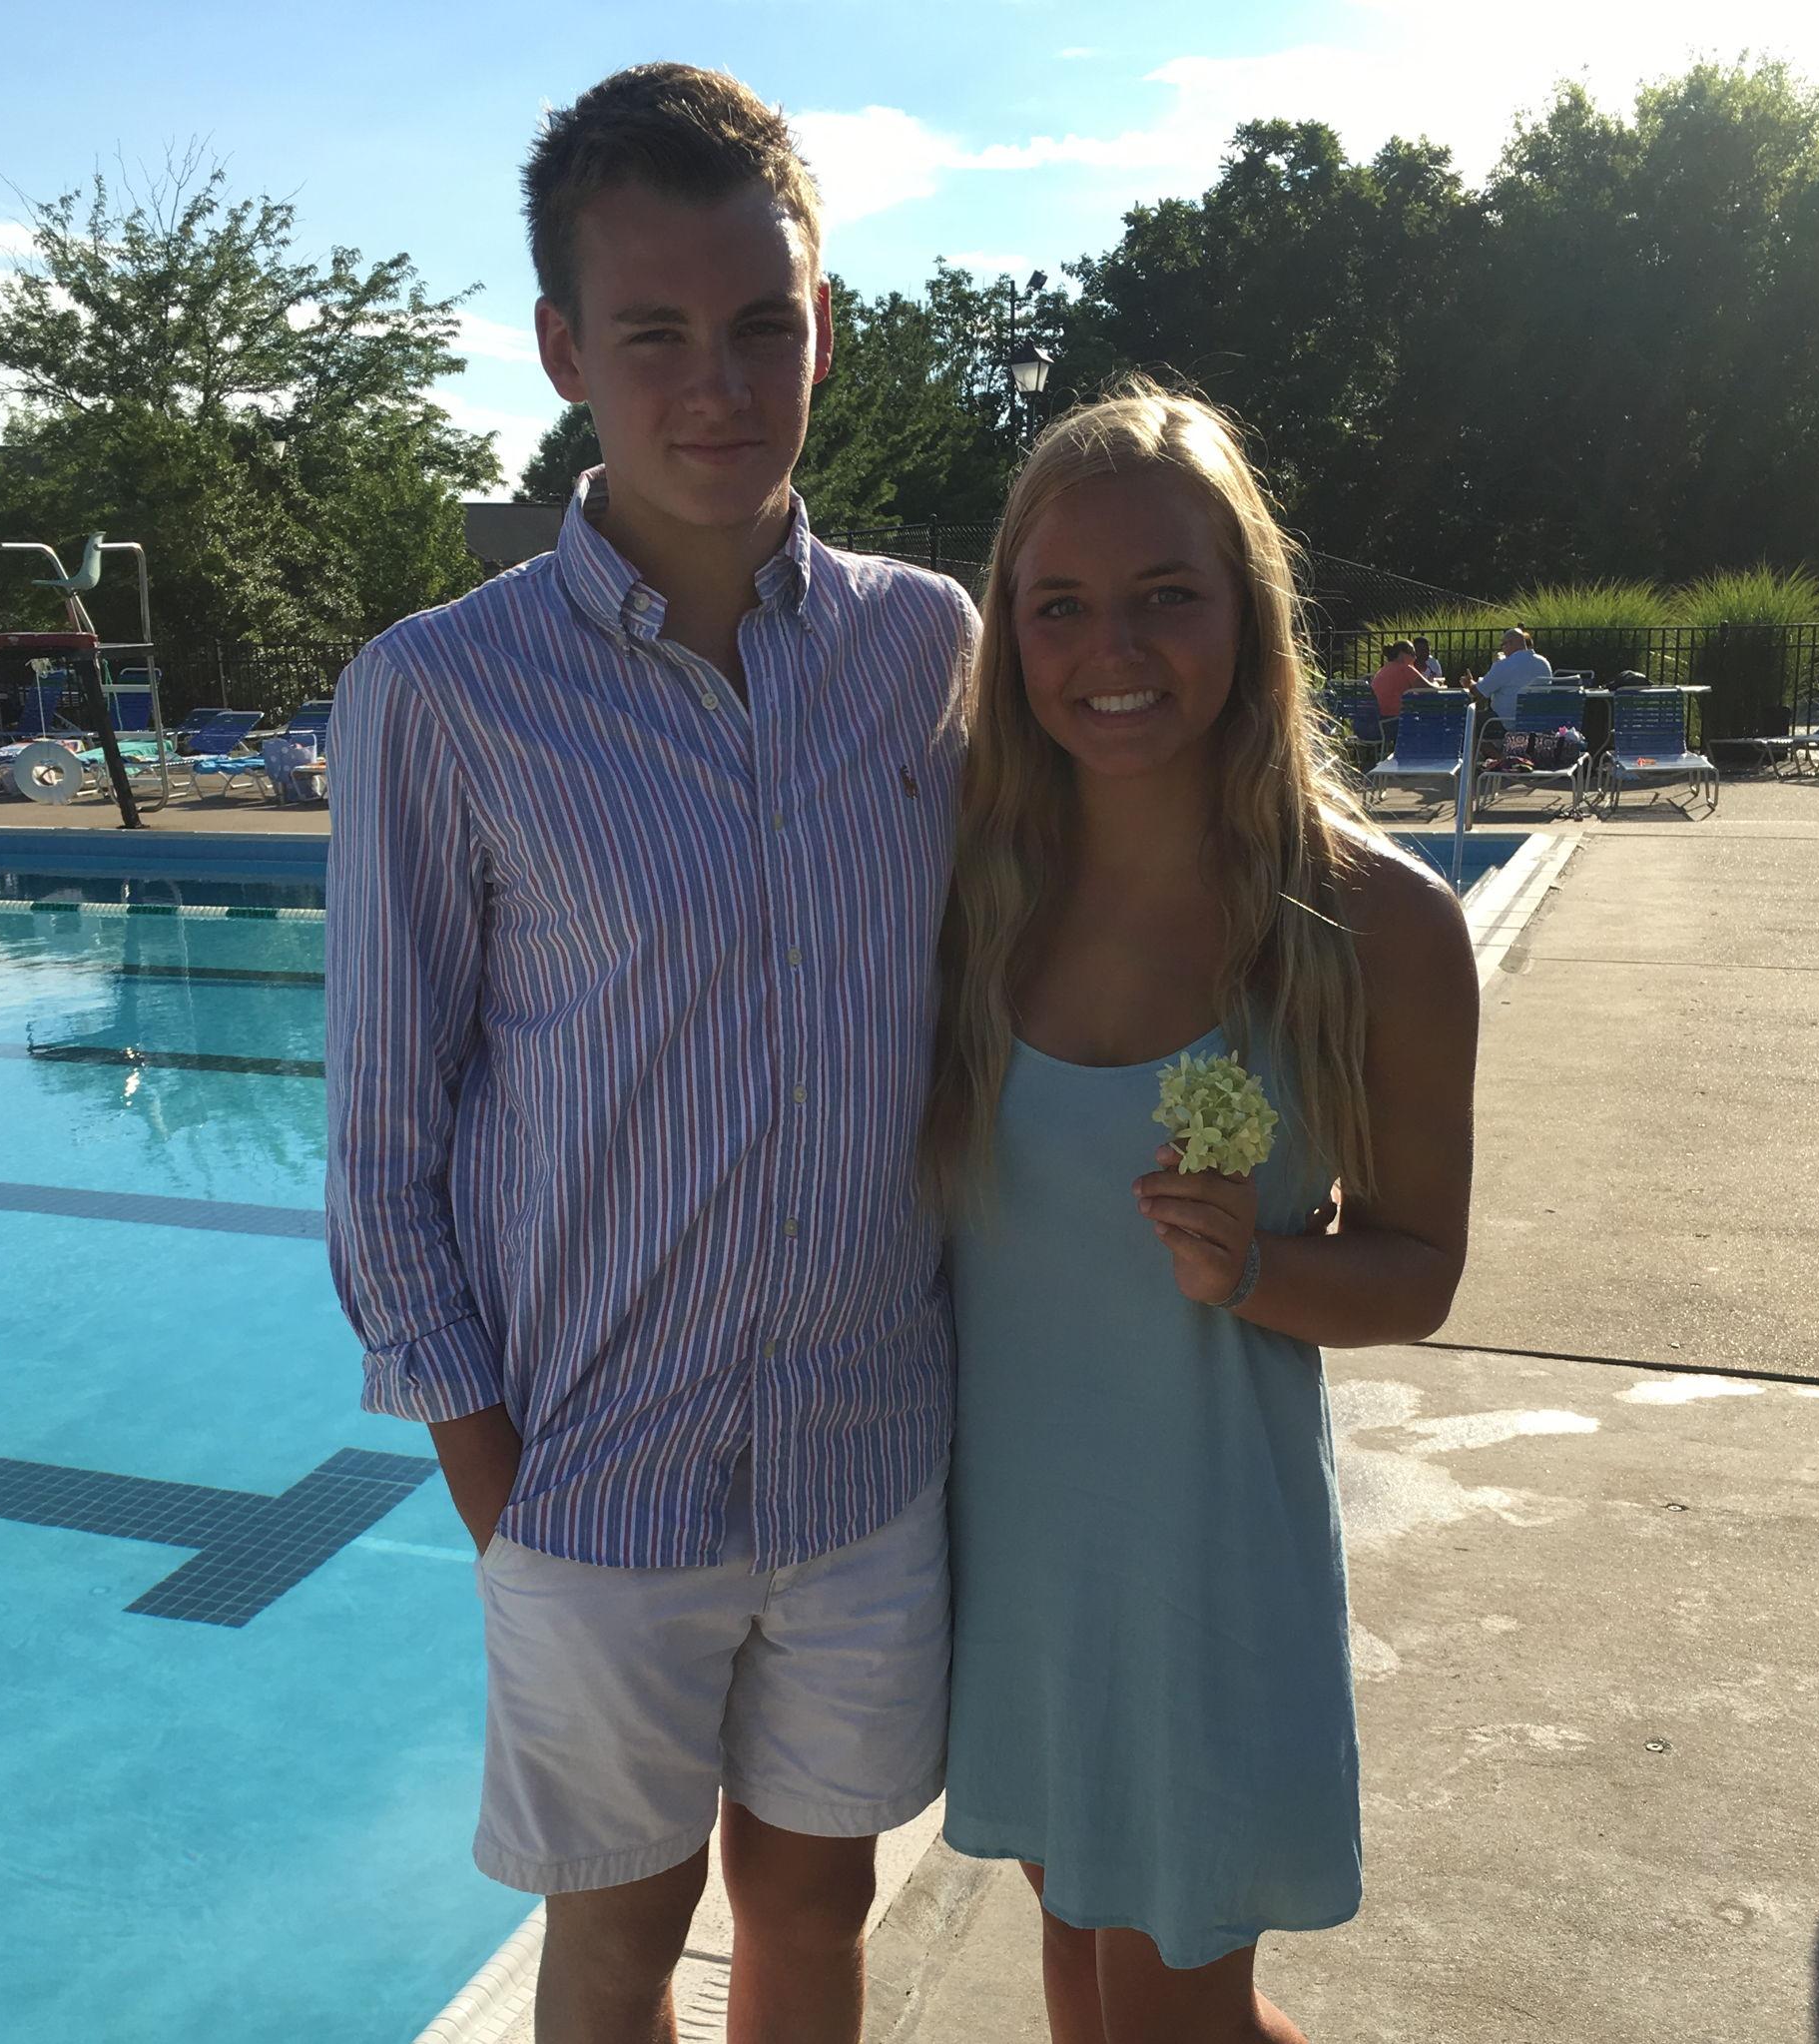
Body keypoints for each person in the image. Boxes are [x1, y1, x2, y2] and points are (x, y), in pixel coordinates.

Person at [324, 63, 975, 2044]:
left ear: (822, 328)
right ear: (561, 352)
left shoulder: (926, 650)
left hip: (866, 1459)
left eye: (762, 325)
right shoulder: (442, 695)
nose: (718, 386)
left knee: (815, 1907)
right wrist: (504, 1496)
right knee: (615, 1931)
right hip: (592, 1479)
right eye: (655, 334)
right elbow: (383, 1147)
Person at [928, 380, 1478, 2044]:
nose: (1113, 647)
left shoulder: (1373, 922)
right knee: (1081, 1973)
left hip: (1204, 1569)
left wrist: (1255, 1272)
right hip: (1015, 1559)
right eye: (1059, 605)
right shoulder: (969, 896)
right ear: (1012, 634)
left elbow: (1418, 1271)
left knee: (1174, 2015)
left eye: (1166, 594)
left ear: (1247, 609)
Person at [1477, 625, 1554, 732]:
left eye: (1503, 645)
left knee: (1470, 718)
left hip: (1506, 723)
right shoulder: (1544, 663)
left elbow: (1479, 691)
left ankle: (1480, 744)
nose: (1502, 649)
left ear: (1511, 643)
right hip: (1538, 723)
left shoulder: (1505, 665)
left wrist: (1469, 683)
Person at [1368, 637, 1437, 746]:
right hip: (1391, 723)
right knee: (1428, 721)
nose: (1415, 657)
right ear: (1401, 654)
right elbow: (1430, 689)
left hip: (1372, 724)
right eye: (1412, 653)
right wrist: (1437, 684)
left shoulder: (1383, 669)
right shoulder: (1405, 668)